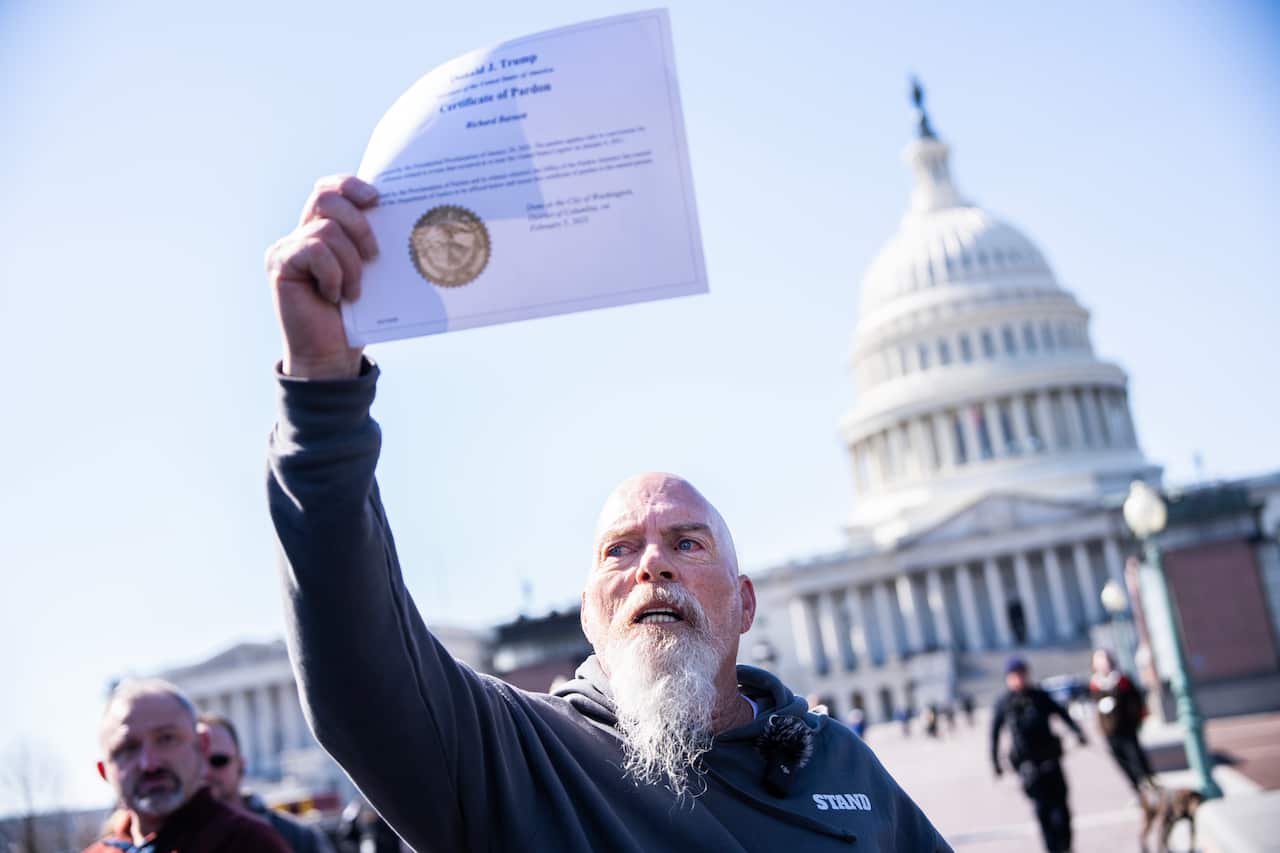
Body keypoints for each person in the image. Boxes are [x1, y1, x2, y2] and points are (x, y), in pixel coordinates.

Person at [263, 175, 951, 852]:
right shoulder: (523, 760)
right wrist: (322, 390)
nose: (653, 562)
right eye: (620, 549)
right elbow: (360, 669)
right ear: (590, 612)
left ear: (744, 603)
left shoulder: (838, 761)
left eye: (687, 542)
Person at [84, 679, 289, 853]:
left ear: (202, 745)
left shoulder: (248, 844)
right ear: (104, 771)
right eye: (128, 748)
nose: (149, 763)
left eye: (166, 739)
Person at [198, 714, 335, 853]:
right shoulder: (179, 839)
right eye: (198, 763)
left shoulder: (297, 837)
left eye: (218, 760)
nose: (206, 772)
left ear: (241, 765)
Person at [989, 658, 1087, 853]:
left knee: (1062, 812)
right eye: (1015, 675)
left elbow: (1062, 714)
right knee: (1043, 814)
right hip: (1029, 768)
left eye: (1022, 674)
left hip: (1051, 761)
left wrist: (1078, 733)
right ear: (1008, 678)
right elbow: (994, 734)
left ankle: (1066, 847)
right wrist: (995, 763)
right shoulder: (1004, 703)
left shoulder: (1040, 696)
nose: (1019, 679)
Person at [1088, 649, 1156, 796]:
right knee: (1122, 761)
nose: (1103, 665)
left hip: (1126, 728)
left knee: (1136, 758)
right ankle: (1138, 792)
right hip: (1110, 731)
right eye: (1099, 662)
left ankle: (1149, 786)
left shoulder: (1122, 681)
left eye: (1104, 661)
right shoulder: (1095, 684)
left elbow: (1135, 702)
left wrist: (1136, 720)